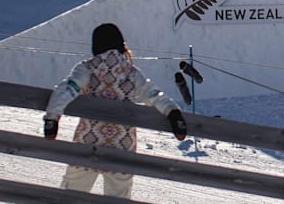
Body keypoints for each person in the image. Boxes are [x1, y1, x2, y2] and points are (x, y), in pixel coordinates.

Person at [43, 23, 187, 199]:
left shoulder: (87, 68)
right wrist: (173, 113)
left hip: (88, 142)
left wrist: (52, 118)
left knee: (71, 195)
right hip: (122, 146)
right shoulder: (131, 73)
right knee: (119, 197)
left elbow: (67, 89)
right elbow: (153, 95)